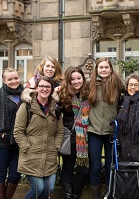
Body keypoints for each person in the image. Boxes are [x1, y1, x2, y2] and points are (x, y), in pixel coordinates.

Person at [14, 76, 64, 199]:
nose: (44, 89)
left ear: (52, 89)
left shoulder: (55, 108)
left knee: (49, 189)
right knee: (38, 188)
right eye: (41, 86)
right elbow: (18, 131)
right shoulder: (26, 107)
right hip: (31, 155)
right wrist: (27, 147)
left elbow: (60, 131)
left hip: (49, 155)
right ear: (36, 88)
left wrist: (56, 146)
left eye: (48, 86)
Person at [87, 57, 123, 198]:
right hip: (94, 130)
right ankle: (96, 195)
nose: (103, 70)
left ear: (110, 68)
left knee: (110, 167)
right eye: (100, 67)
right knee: (95, 167)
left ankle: (109, 194)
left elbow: (134, 88)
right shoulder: (90, 84)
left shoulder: (118, 83)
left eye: (106, 67)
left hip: (111, 132)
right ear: (96, 69)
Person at [0, 68, 24, 199]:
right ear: (4, 81)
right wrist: (0, 133)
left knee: (15, 174)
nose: (13, 81)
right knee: (1, 172)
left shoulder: (25, 95)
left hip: (18, 142)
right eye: (10, 79)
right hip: (1, 142)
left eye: (15, 78)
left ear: (19, 78)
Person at [57, 66, 90, 199]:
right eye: (72, 79)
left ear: (83, 78)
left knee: (84, 169)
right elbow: (56, 114)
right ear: (68, 81)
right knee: (68, 168)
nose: (76, 81)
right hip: (70, 136)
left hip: (86, 137)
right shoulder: (63, 94)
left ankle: (75, 193)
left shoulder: (89, 93)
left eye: (78, 78)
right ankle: (68, 196)